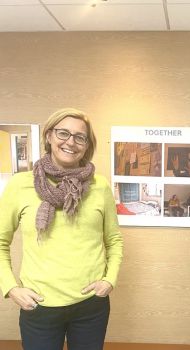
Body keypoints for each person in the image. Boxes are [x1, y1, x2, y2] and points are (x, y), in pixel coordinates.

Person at [0, 108, 123, 350]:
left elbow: (114, 239)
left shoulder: (100, 186)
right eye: (63, 133)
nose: (71, 142)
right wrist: (11, 288)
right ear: (48, 136)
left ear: (87, 145)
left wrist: (109, 280)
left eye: (80, 137)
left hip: (91, 306)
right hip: (39, 306)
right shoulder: (20, 185)